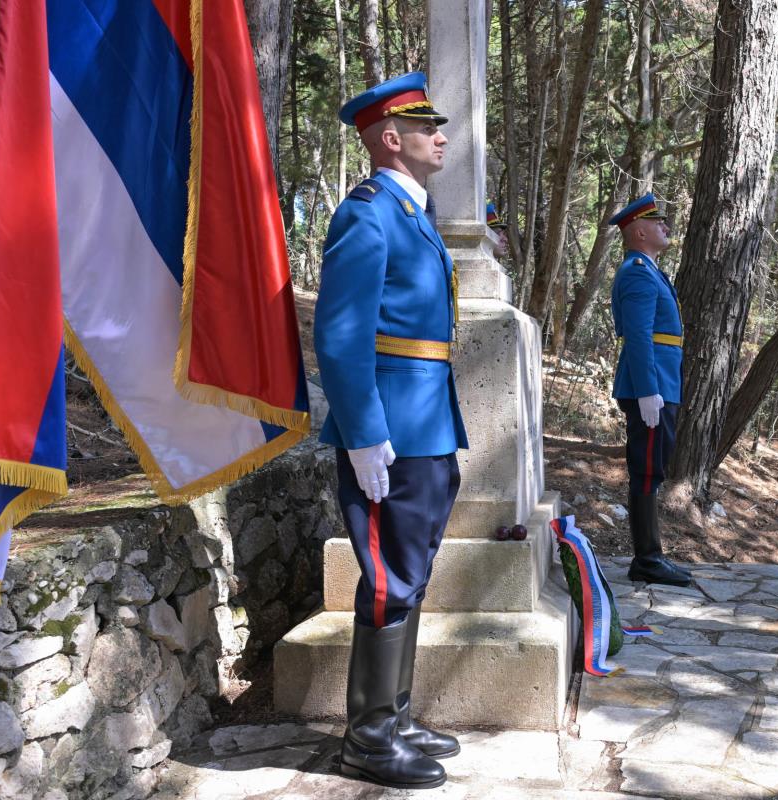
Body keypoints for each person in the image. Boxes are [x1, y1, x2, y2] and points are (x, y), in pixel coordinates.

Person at [313, 72, 468, 789]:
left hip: (427, 427)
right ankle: (369, 739)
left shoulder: (412, 214)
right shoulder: (369, 214)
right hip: (391, 435)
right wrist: (363, 433)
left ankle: (395, 716)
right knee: (386, 581)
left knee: (410, 575)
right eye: (427, 126)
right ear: (391, 139)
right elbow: (342, 337)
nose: (442, 135)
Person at [608, 194, 692, 588]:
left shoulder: (649, 270)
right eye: (658, 223)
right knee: (645, 470)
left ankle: (651, 554)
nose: (666, 227)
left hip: (661, 381)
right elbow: (639, 336)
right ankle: (647, 557)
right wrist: (647, 390)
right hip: (652, 384)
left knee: (652, 468)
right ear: (639, 231)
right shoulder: (638, 271)